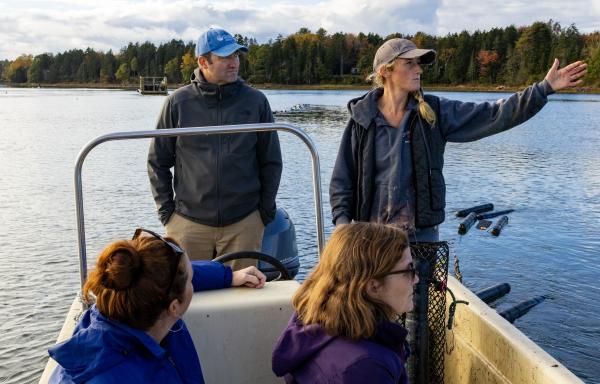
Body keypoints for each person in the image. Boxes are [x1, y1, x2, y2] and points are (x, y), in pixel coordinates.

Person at [329, 38, 587, 242]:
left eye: (420, 63)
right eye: (410, 63)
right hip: (373, 241)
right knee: (373, 309)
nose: (419, 69)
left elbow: (494, 114)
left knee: (418, 310)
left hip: (421, 242)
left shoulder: (435, 113)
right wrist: (342, 226)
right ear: (386, 71)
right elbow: (343, 180)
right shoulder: (361, 120)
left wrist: (543, 89)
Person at [48, 228, 266, 384]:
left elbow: (175, 274)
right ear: (174, 307)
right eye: (191, 281)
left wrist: (228, 276)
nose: (194, 280)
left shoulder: (126, 301)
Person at [148, 27, 282, 269]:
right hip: (188, 224)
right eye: (225, 57)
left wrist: (263, 213)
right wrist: (168, 215)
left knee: (241, 301)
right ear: (203, 62)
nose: (234, 63)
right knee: (189, 301)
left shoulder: (256, 102)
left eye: (236, 56)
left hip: (244, 222)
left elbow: (271, 161)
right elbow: (157, 162)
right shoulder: (178, 103)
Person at [272, 222, 418, 383]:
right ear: (373, 286)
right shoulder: (366, 368)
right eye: (409, 270)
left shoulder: (312, 323)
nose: (416, 279)